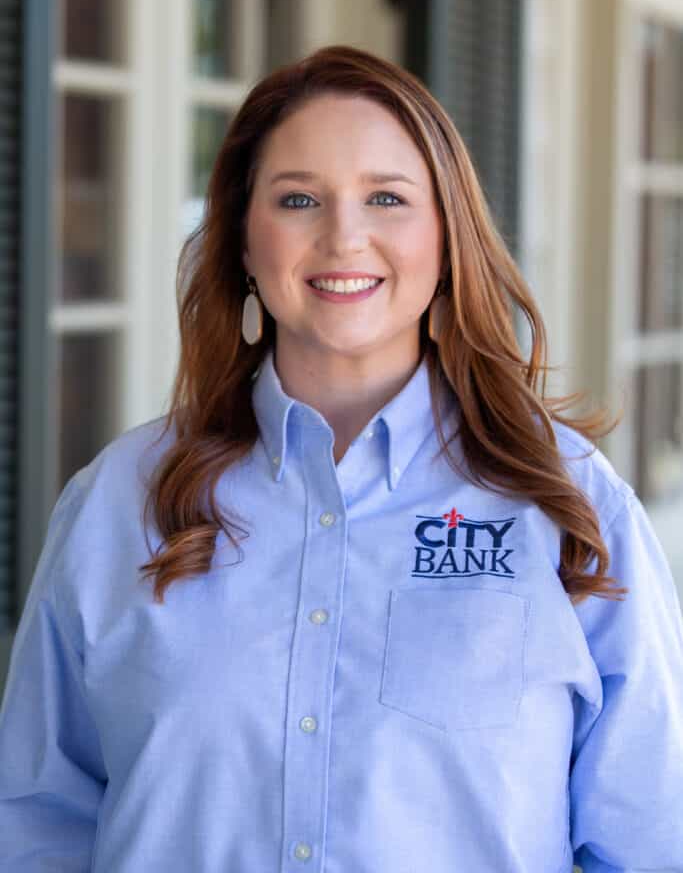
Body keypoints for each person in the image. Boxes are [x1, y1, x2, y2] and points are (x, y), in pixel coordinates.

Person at [0, 44, 682, 872]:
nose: (343, 237)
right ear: (244, 244)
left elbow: (649, 842)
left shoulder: (569, 506)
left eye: (387, 197)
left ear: (447, 238)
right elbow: (36, 827)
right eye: (297, 199)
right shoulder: (116, 502)